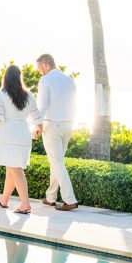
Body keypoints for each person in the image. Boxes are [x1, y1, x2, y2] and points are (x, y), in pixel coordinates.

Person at [0, 64, 43, 214]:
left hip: (7, 134)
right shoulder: (29, 95)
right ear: (19, 77)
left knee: (15, 169)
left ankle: (25, 204)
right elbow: (37, 117)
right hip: (23, 134)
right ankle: (4, 200)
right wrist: (39, 129)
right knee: (11, 168)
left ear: (6, 77)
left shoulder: (2, 93)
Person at [35, 53, 79, 211]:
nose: (40, 71)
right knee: (57, 161)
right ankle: (50, 197)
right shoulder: (69, 80)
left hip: (52, 125)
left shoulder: (45, 80)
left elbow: (42, 105)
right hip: (68, 125)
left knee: (57, 162)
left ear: (45, 64)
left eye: (39, 67)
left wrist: (37, 125)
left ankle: (70, 199)